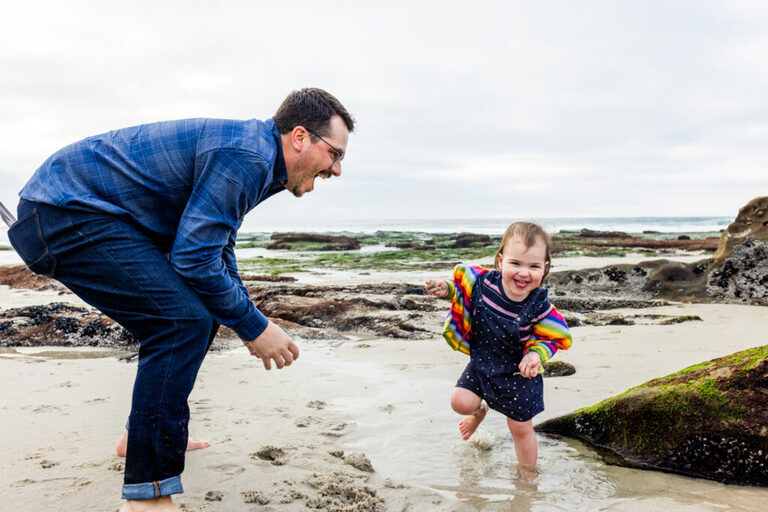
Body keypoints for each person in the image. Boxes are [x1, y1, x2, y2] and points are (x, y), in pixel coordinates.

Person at [7, 88, 354, 512]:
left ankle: (143, 435)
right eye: (335, 154)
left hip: (82, 214)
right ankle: (147, 497)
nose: (337, 169)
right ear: (300, 137)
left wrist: (247, 319)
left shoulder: (257, 157)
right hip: (62, 213)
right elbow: (194, 258)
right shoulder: (248, 157)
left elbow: (217, 245)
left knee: (200, 314)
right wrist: (254, 326)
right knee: (180, 322)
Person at [425, 222, 572, 475]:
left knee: (520, 429)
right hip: (483, 363)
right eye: (516, 263)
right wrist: (446, 289)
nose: (524, 273)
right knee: (460, 402)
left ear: (545, 268)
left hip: (518, 375)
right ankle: (479, 411)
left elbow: (554, 336)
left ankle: (527, 476)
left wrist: (534, 355)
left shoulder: (539, 307)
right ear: (501, 261)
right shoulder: (483, 284)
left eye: (534, 266)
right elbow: (461, 291)